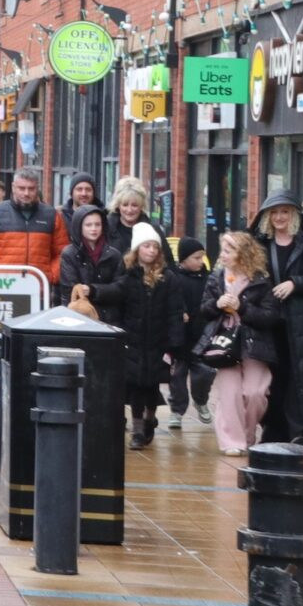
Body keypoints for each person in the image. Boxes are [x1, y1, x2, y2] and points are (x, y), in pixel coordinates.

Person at [250, 188, 303, 445]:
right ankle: (273, 429)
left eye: (284, 212)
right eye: (274, 212)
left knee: (302, 377)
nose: (279, 217)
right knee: (274, 376)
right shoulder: (259, 243)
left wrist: (295, 284)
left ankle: (300, 430)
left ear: (294, 214)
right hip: (269, 321)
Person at [202, 233, 285, 456]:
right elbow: (204, 309)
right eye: (223, 250)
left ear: (243, 254)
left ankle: (247, 435)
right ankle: (232, 441)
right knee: (230, 394)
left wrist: (242, 307)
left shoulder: (260, 280)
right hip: (224, 342)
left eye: (228, 251)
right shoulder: (217, 278)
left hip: (254, 344)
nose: (223, 255)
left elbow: (270, 317)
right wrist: (217, 304)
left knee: (255, 392)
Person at [111, 225, 183, 449]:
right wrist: (92, 291)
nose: (151, 251)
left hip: (158, 342)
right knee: (134, 386)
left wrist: (175, 343)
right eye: (146, 246)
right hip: (133, 340)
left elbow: (174, 312)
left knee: (152, 386)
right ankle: (138, 429)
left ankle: (150, 418)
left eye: (155, 247)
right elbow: (116, 295)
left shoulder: (168, 278)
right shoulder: (129, 276)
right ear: (137, 250)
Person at [0, 169, 60, 280]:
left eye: (31, 189)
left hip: (40, 288)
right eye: (21, 188)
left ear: (37, 188)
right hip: (5, 287)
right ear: (13, 187)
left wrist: (51, 275)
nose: (26, 193)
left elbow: (62, 253)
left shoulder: (51, 215)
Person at [162, 236, 217, 430]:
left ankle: (200, 400)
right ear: (183, 259)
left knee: (204, 373)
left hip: (202, 336)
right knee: (177, 376)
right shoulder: (174, 277)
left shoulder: (210, 278)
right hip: (179, 336)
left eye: (202, 257)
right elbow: (170, 300)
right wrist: (179, 313)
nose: (200, 261)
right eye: (196, 257)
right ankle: (177, 410)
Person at [103, 177, 156, 257]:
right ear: (118, 205)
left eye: (134, 205)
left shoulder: (153, 231)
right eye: (125, 205)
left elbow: (166, 263)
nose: (129, 210)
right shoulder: (105, 229)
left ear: (141, 206)